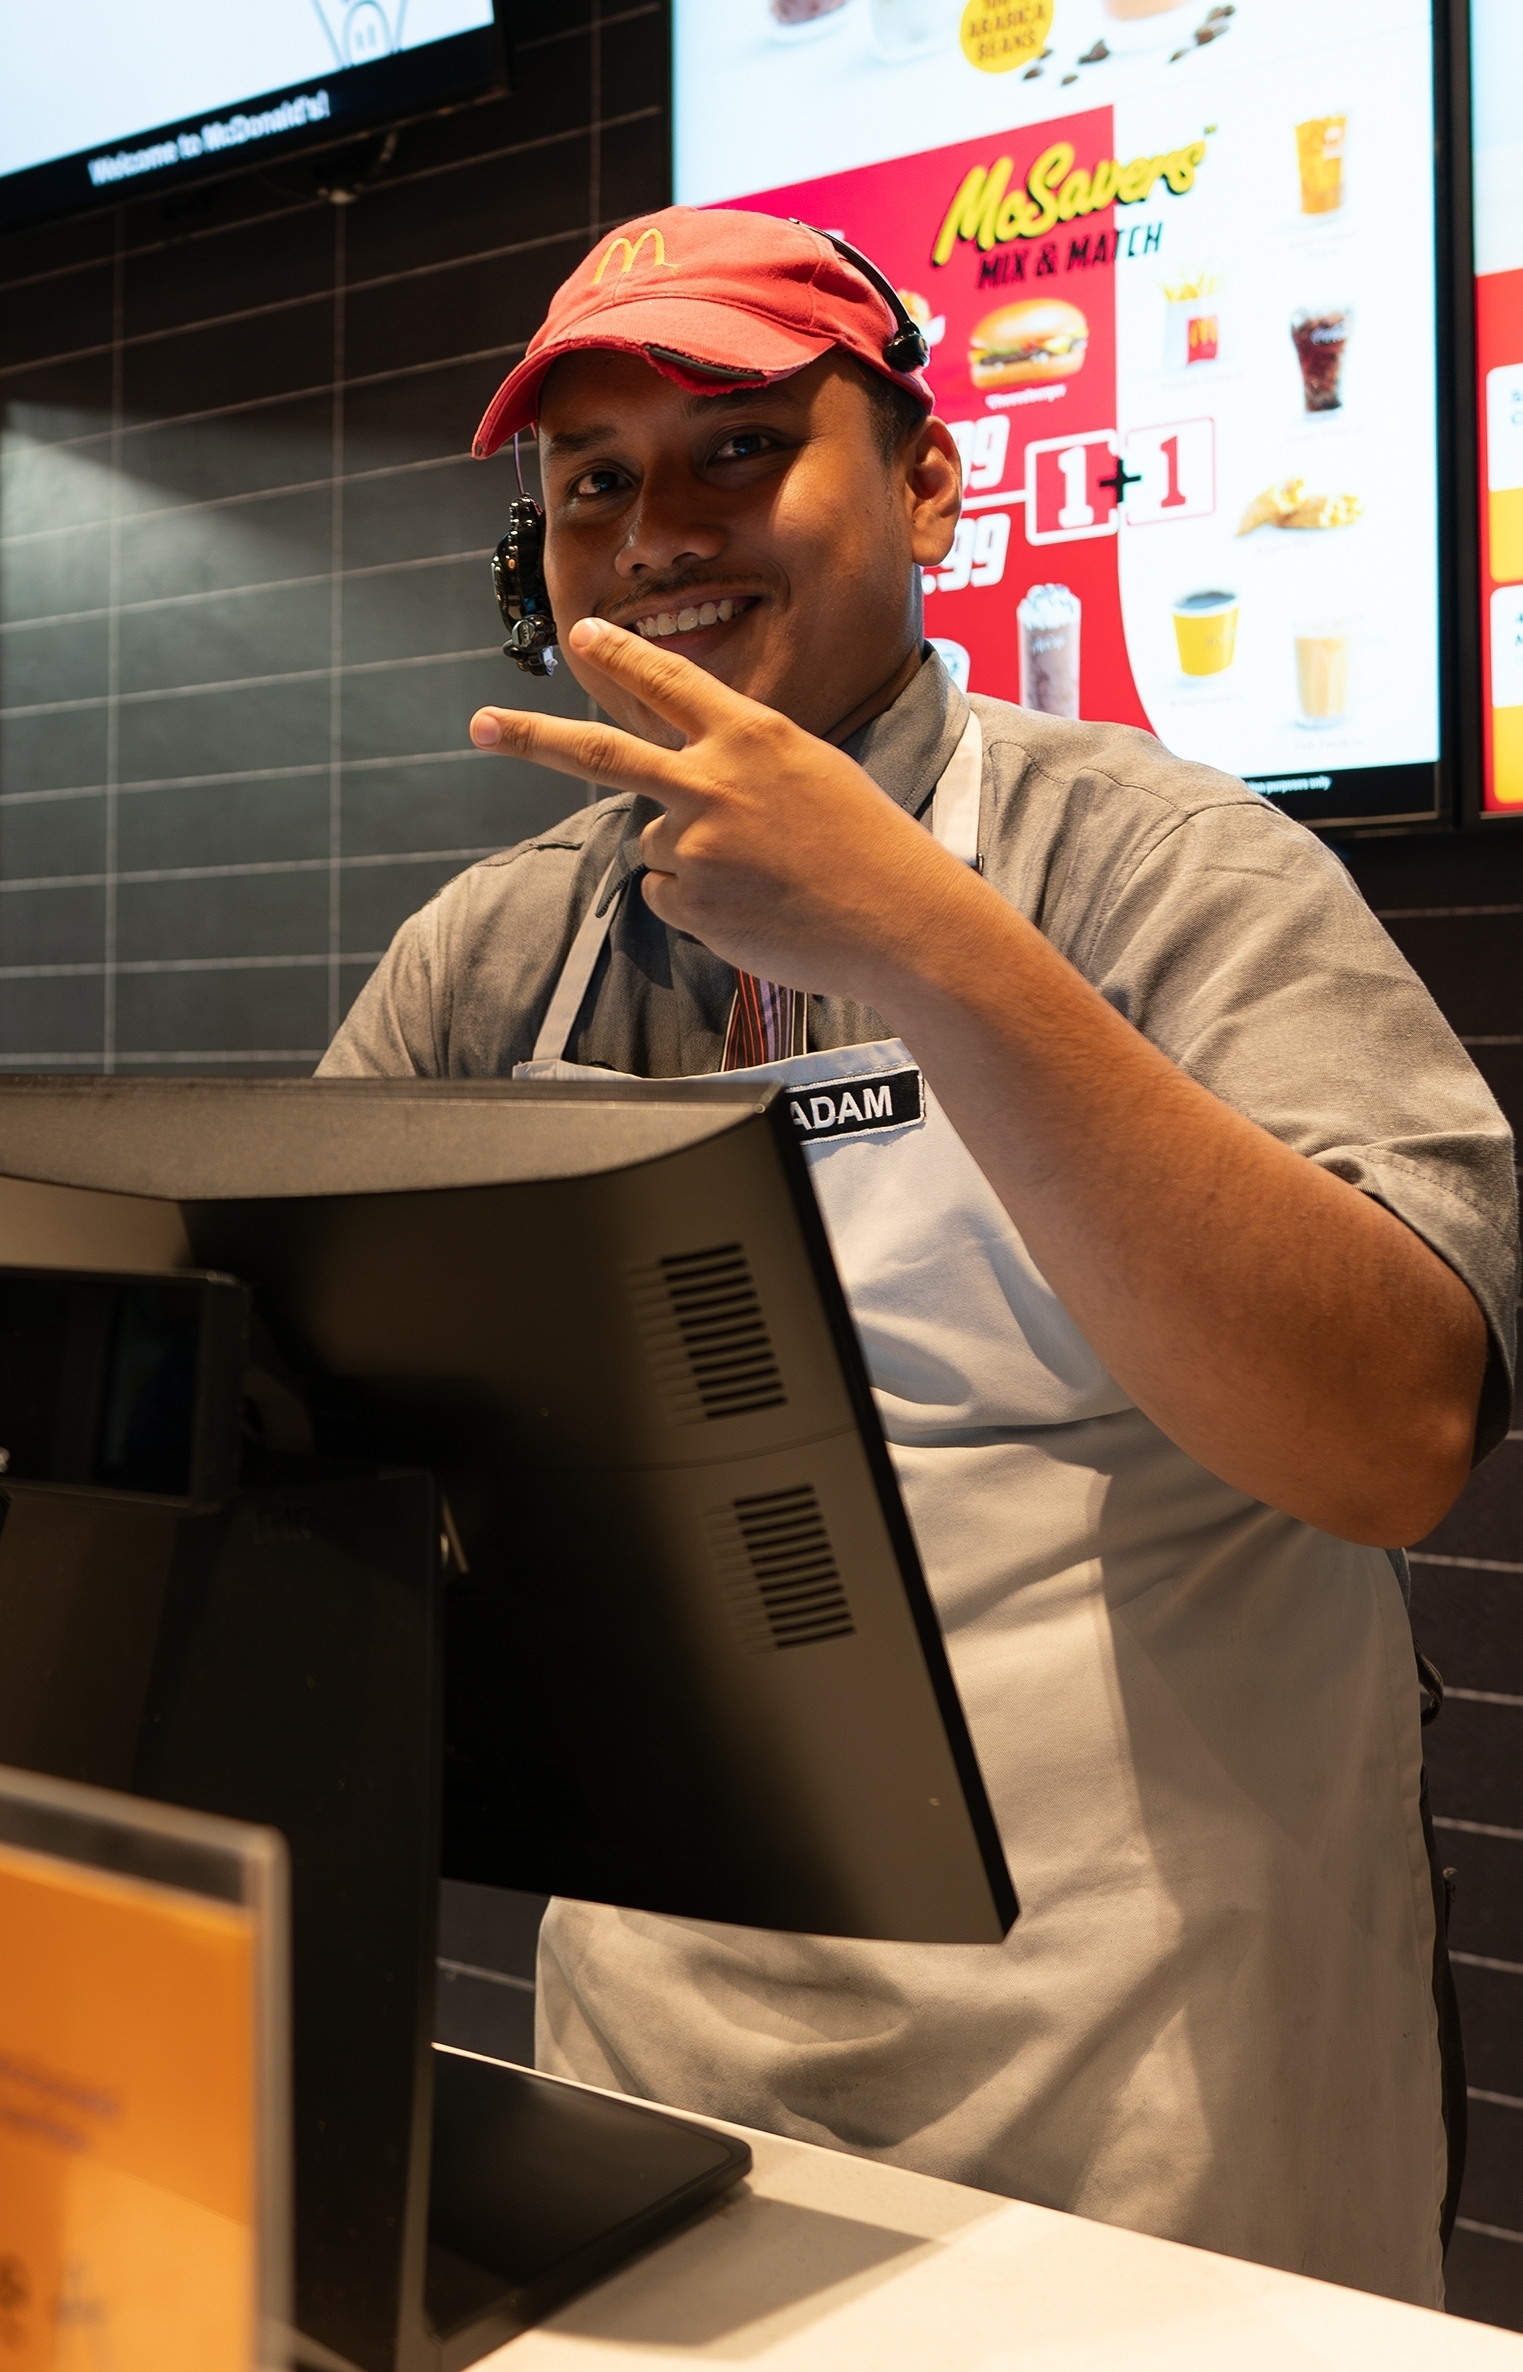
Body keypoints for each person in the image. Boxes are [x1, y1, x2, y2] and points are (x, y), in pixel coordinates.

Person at [311, 207, 1517, 2307]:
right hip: (665, 2086)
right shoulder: (491, 959)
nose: (659, 529)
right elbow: (258, 1417)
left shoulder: (1167, 869)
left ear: (932, 486)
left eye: (736, 449)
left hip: (1158, 2100)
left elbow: (1389, 1431)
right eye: (593, 482)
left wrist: (928, 942)